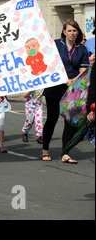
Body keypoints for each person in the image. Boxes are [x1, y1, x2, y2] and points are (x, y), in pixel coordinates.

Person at [42, 20, 90, 163]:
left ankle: (66, 152)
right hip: (54, 87)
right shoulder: (56, 45)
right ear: (64, 31)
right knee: (51, 118)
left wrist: (71, 80)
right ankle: (45, 150)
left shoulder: (82, 49)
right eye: (69, 30)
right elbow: (50, 65)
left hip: (72, 90)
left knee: (69, 122)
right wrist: (64, 80)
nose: (72, 33)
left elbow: (83, 71)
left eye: (75, 30)